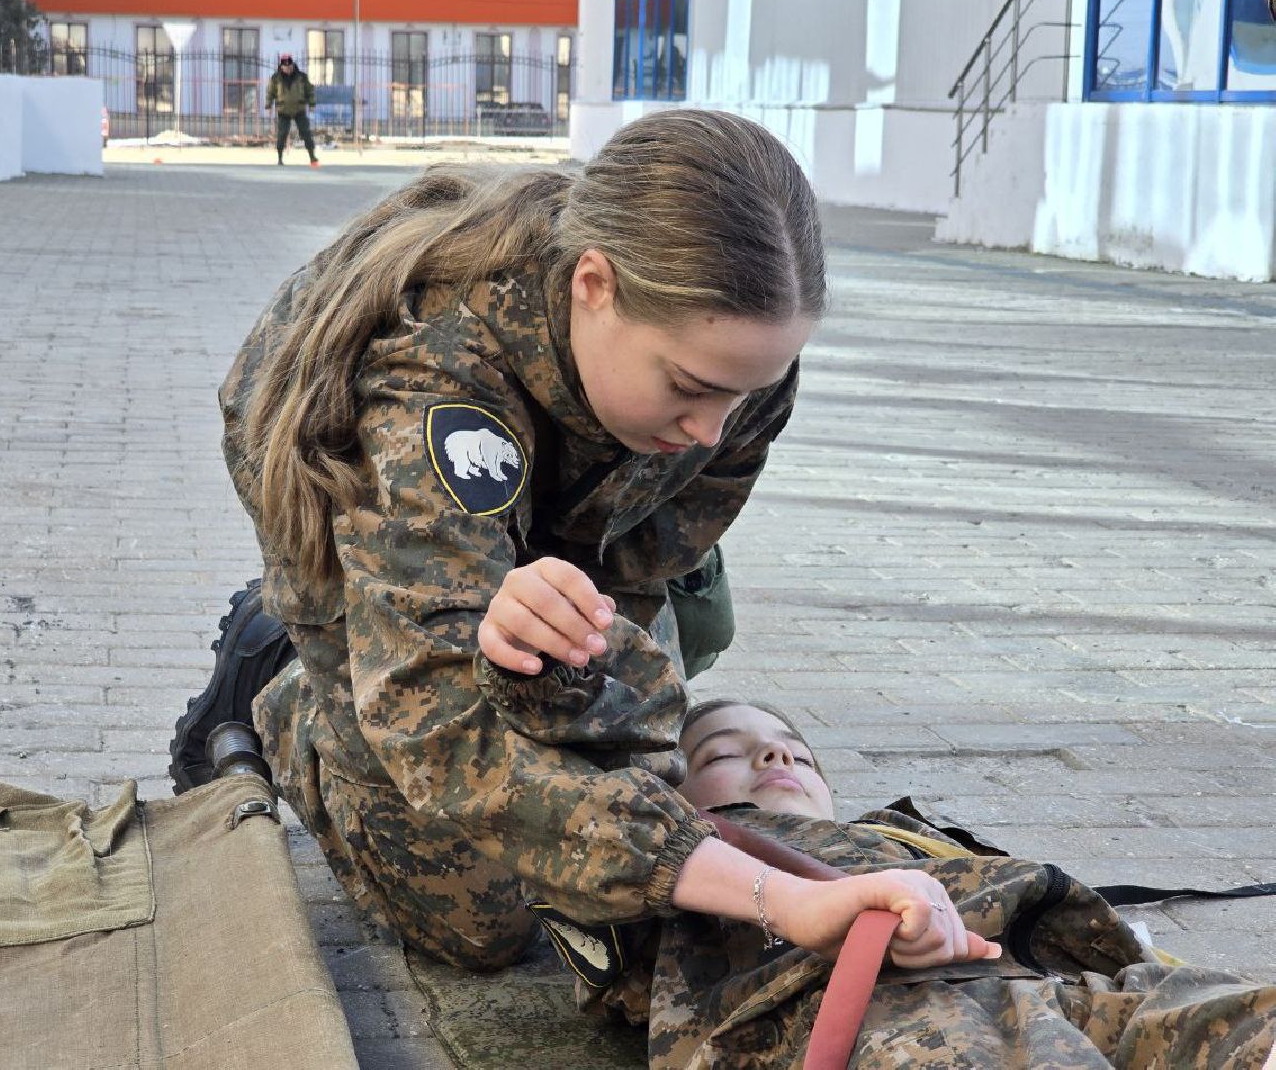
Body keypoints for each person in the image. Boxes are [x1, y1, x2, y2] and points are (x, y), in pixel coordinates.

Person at [170, 109, 979, 975]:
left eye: (745, 396)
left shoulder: (733, 370)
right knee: (481, 920)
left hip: (572, 492)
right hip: (361, 512)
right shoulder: (430, 381)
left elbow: (640, 572)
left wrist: (578, 704)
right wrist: (775, 896)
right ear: (593, 284)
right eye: (692, 388)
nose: (715, 432)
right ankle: (285, 680)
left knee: (614, 798)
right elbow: (439, 717)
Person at [587, 696, 1276, 1069]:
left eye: (796, 749)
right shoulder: (697, 860)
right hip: (872, 1012)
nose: (775, 752)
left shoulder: (901, 833)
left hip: (1055, 986)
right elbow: (590, 854)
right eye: (723, 752)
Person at [266, 52, 319, 168]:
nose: (288, 69)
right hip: (283, 110)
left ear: (293, 65)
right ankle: (280, 158)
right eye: (285, 67)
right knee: (282, 134)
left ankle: (312, 157)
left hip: (299, 109)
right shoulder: (276, 78)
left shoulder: (302, 77)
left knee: (306, 133)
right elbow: (270, 93)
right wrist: (268, 106)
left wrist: (312, 104)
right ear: (281, 67)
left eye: (289, 67)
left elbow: (310, 91)